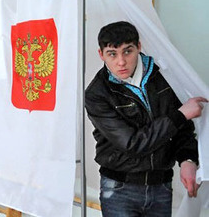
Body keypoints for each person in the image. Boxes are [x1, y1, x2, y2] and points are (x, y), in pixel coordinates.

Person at [85, 21, 208, 216]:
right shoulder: (97, 94)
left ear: (139, 47)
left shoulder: (165, 75)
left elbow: (183, 129)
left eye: (128, 51)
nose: (121, 62)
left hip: (162, 186)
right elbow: (132, 143)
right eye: (112, 54)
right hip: (119, 189)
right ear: (101, 55)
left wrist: (188, 160)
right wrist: (181, 114)